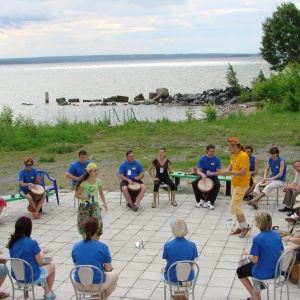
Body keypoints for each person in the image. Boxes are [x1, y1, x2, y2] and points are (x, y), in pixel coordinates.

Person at [236, 212, 283, 300]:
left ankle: (255, 297)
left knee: (240, 271)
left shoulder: (257, 239)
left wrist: (248, 253)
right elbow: (282, 251)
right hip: (276, 269)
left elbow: (255, 260)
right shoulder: (276, 234)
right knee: (244, 264)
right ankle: (257, 294)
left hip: (264, 271)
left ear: (259, 224)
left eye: (256, 221)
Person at [8, 216, 56, 300]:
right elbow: (40, 261)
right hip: (31, 276)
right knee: (51, 266)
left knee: (34, 266)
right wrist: (42, 251)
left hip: (17, 275)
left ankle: (44, 290)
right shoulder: (32, 243)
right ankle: (48, 293)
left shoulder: (12, 242)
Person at [71, 217, 118, 298]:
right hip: (97, 284)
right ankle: (100, 298)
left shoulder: (75, 246)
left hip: (79, 283)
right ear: (96, 231)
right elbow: (108, 268)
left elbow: (76, 265)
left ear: (83, 230)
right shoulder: (102, 247)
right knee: (114, 276)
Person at [220, 137, 251, 237]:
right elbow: (231, 166)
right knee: (237, 205)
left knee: (235, 206)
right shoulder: (234, 155)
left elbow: (242, 172)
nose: (228, 149)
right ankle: (241, 226)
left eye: (229, 146)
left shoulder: (243, 156)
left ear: (235, 146)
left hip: (242, 184)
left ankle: (245, 226)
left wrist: (229, 172)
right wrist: (225, 172)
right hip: (235, 183)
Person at [75, 163, 108, 240]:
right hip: (84, 206)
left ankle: (96, 242)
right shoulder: (83, 183)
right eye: (94, 171)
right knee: (84, 224)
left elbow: (101, 193)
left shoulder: (98, 181)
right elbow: (77, 195)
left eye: (97, 170)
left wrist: (104, 203)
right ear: (89, 172)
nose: (96, 172)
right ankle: (85, 241)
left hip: (95, 205)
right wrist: (85, 197)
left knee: (98, 224)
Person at [161, 218, 198, 283]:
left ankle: (177, 291)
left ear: (173, 230)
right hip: (188, 278)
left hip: (172, 278)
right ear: (186, 229)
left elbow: (168, 262)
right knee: (190, 270)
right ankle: (182, 291)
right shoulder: (192, 245)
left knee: (163, 269)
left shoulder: (167, 245)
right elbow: (192, 262)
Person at [192, 144, 221, 210]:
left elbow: (218, 172)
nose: (212, 153)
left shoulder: (217, 160)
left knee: (217, 184)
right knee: (194, 183)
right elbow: (198, 171)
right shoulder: (202, 159)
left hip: (213, 177)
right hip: (204, 176)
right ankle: (200, 200)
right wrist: (202, 174)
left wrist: (214, 173)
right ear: (207, 151)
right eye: (211, 151)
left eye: (213, 151)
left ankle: (210, 201)